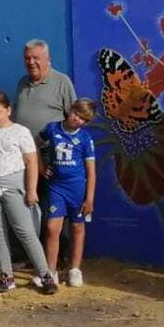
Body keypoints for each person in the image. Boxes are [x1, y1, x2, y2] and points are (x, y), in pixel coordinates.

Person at [0, 92, 58, 295]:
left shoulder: (20, 132)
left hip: (13, 185)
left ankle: (45, 274)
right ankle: (6, 275)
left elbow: (31, 161)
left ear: (8, 110)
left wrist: (31, 190)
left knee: (25, 231)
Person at [41, 99, 98, 288]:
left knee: (77, 228)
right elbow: (33, 144)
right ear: (70, 110)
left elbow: (91, 172)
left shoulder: (85, 139)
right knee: (51, 228)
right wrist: (41, 167)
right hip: (56, 187)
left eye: (82, 118)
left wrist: (89, 198)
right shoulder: (52, 128)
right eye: (75, 113)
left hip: (77, 189)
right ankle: (51, 271)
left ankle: (75, 269)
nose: (76, 119)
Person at [13, 39, 76, 144]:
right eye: (27, 58)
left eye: (35, 58)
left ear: (48, 58)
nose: (31, 62)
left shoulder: (62, 82)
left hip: (51, 152)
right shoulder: (22, 83)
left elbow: (74, 118)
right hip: (24, 151)